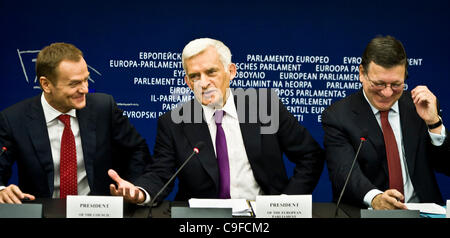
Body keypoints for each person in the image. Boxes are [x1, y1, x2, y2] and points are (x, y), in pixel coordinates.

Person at [109, 38, 325, 204]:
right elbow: (160, 174)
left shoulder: (264, 107)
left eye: (211, 72)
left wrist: (286, 203)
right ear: (186, 81)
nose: (203, 83)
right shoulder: (173, 122)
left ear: (230, 71)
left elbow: (310, 155)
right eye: (194, 76)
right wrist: (140, 192)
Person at [0, 42, 151, 204]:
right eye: (74, 84)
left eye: (86, 80)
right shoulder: (14, 119)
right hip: (43, 210)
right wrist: (1, 190)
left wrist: (132, 187)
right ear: (46, 84)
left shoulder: (104, 107)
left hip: (98, 212)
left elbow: (138, 150)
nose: (85, 89)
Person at [322, 35, 450, 210]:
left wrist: (434, 123)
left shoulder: (419, 106)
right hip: (367, 212)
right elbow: (344, 172)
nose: (388, 93)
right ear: (362, 73)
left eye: (396, 84)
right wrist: (375, 198)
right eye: (379, 84)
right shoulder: (338, 115)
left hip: (424, 211)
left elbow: (446, 166)